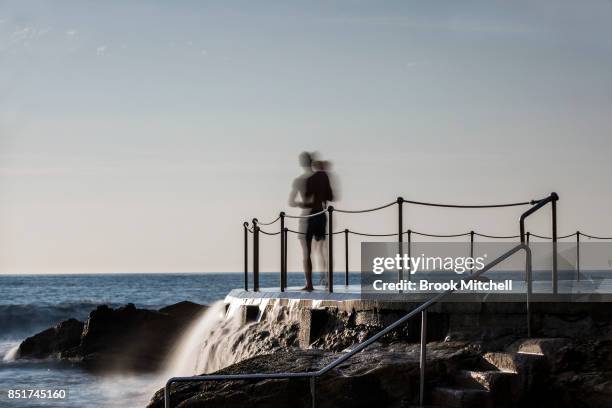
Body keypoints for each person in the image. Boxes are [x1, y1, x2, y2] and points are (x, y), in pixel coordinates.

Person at [289, 152, 334, 291]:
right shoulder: (322, 177)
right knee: (322, 250)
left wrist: (301, 204)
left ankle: (309, 284)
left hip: (308, 216)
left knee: (307, 251)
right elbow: (331, 196)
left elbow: (292, 201)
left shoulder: (300, 181)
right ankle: (327, 281)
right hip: (321, 215)